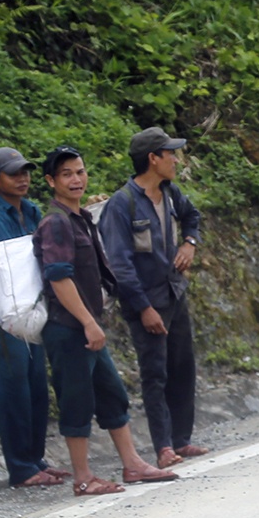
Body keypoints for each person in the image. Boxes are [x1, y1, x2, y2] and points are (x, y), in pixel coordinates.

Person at [32, 147, 180, 494]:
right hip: (69, 328)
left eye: (80, 172)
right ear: (51, 181)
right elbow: (58, 277)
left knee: (112, 394)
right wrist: (87, 321)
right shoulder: (55, 223)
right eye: (66, 174)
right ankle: (83, 478)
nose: (76, 179)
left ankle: (132, 464)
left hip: (85, 328)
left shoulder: (80, 217)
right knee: (76, 400)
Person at [99, 127, 206, 467]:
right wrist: (144, 308)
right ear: (153, 159)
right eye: (170, 154)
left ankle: (181, 439)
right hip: (145, 300)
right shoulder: (122, 204)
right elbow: (119, 264)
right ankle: (163, 446)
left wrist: (189, 243)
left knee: (182, 365)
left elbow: (192, 217)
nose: (176, 160)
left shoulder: (171, 192)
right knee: (155, 372)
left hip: (174, 291)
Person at [0, 147, 65, 488]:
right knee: (11, 387)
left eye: (25, 172)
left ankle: (35, 458)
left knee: (36, 384)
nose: (23, 179)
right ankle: (20, 467)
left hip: (27, 305)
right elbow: (16, 259)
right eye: (14, 174)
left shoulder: (31, 209)